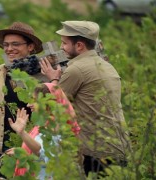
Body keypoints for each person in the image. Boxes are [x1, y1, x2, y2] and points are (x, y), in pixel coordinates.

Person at [39, 20, 131, 177]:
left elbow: (55, 106)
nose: (61, 47)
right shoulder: (106, 65)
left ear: (80, 45)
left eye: (65, 43)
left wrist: (52, 79)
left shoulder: (76, 69)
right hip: (119, 146)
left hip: (95, 150)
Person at [0, 22, 50, 163]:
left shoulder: (44, 75)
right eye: (6, 45)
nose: (9, 49)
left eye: (15, 44)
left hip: (30, 147)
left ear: (30, 46)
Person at [5, 82, 80, 179]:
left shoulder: (57, 127)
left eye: (34, 100)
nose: (29, 104)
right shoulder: (44, 124)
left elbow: (46, 156)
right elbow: (38, 149)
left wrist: (22, 135)